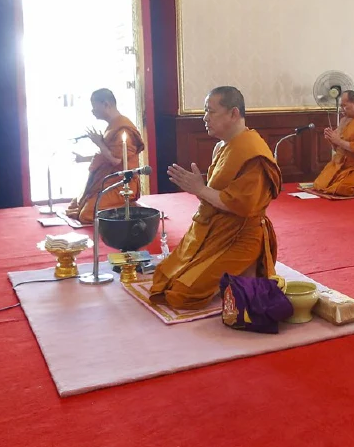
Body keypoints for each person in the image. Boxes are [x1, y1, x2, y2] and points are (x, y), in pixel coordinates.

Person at [149, 87, 281, 309]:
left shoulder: (253, 153)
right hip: (214, 229)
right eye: (205, 111)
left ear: (233, 113)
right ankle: (233, 280)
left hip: (240, 236)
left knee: (182, 294)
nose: (205, 118)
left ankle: (244, 275)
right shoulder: (222, 146)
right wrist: (199, 189)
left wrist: (199, 189)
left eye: (211, 111)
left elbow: (243, 206)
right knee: (163, 278)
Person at [66, 89, 144, 225]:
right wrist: (83, 158)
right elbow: (105, 156)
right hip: (106, 181)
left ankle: (128, 208)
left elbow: (116, 160)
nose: (92, 110)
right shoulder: (112, 126)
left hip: (121, 184)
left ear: (106, 104)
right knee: (75, 205)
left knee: (86, 214)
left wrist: (99, 143)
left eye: (94, 106)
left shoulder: (123, 129)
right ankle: (120, 208)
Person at [311, 90, 354, 196]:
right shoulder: (344, 121)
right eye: (341, 106)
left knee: (342, 189)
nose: (342, 109)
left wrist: (338, 140)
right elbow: (339, 149)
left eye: (345, 106)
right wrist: (332, 140)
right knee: (320, 185)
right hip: (342, 165)